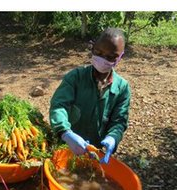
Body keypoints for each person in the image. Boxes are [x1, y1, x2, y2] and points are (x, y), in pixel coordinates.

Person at [49, 28, 130, 164]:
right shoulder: (75, 77)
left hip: (96, 152)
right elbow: (59, 105)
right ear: (93, 48)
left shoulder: (122, 88)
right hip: (66, 146)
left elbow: (119, 121)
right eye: (98, 52)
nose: (103, 59)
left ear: (120, 57)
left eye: (110, 56)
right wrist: (65, 132)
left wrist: (113, 137)